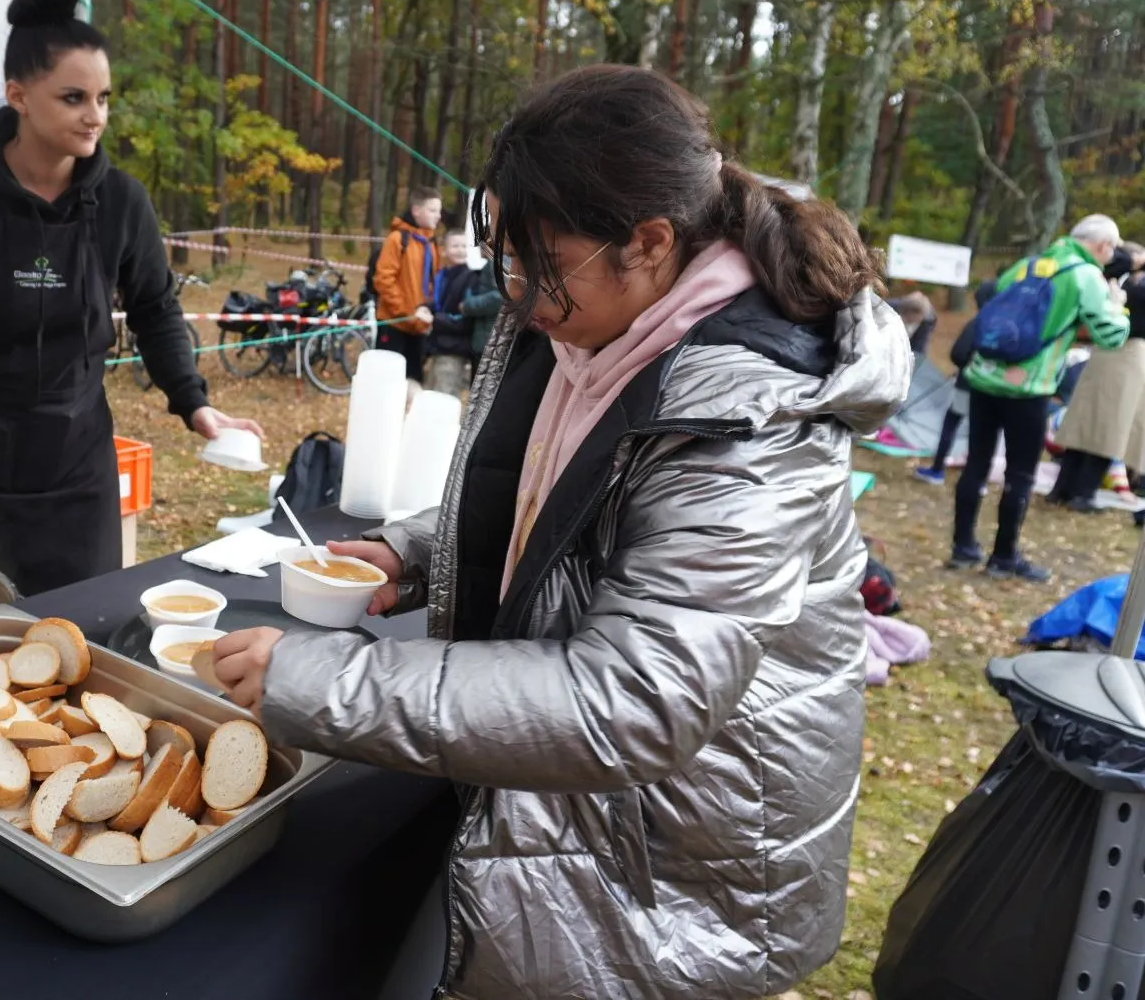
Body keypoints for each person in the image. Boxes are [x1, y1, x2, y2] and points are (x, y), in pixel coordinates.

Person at [212, 65, 911, 999]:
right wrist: (419, 550)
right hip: (586, 814)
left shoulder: (752, 424)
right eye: (503, 255)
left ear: (651, 242)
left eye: (537, 264)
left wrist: (316, 677)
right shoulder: (590, 313)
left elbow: (635, 697)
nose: (516, 291)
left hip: (683, 856)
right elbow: (558, 501)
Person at [0, 0, 259, 595]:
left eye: (104, 97)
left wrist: (194, 402)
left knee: (81, 645)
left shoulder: (122, 202)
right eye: (73, 97)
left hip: (78, 480)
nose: (94, 115)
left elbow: (155, 308)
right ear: (17, 95)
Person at [950, 214, 1130, 581]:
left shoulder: (1028, 264)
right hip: (1029, 387)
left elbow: (991, 300)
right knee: (1020, 473)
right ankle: (1003, 557)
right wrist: (1118, 305)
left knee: (977, 463)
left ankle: (963, 547)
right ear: (1103, 246)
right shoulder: (1086, 276)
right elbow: (1111, 336)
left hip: (985, 376)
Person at [1049, 242, 1145, 511]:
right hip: (1108, 350)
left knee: (1109, 426)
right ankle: (1066, 490)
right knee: (1087, 421)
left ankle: (1081, 491)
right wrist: (1133, 262)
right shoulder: (1117, 274)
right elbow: (1112, 264)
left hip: (1130, 353)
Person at [914, 278, 998, 485]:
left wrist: (964, 366)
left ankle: (937, 470)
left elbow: (959, 353)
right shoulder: (1008, 323)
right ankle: (979, 478)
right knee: (985, 433)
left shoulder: (978, 322)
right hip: (996, 389)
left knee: (952, 424)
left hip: (969, 385)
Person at [370, 186, 444, 385]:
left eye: (439, 211)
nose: (438, 216)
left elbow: (434, 281)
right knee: (388, 383)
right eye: (432, 210)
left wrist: (428, 311)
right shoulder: (397, 240)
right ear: (416, 210)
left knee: (413, 382)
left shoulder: (432, 243)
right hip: (395, 324)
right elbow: (384, 280)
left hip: (419, 327)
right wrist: (407, 312)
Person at [422, 229, 486, 395]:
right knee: (430, 393)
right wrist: (424, 308)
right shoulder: (442, 275)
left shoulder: (472, 278)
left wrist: (434, 319)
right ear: (444, 250)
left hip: (454, 349)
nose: (460, 250)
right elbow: (439, 305)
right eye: (455, 246)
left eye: (464, 246)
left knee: (444, 396)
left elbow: (465, 320)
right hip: (437, 346)